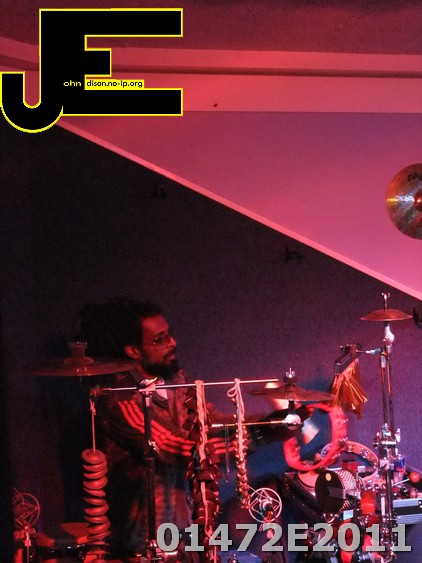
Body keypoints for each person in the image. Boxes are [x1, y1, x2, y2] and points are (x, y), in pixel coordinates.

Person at [77, 296, 315, 562]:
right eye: (160, 339)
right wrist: (260, 435)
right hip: (142, 542)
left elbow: (210, 423)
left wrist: (272, 422)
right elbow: (179, 448)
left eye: (170, 334)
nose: (172, 343)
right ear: (132, 350)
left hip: (181, 532)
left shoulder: (175, 380)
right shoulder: (120, 399)